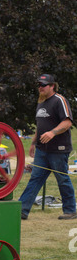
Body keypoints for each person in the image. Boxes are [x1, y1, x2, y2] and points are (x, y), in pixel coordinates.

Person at [19, 74, 76, 220]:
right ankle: (22, 211)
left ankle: (70, 210)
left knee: (62, 179)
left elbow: (67, 122)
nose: (40, 87)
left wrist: (52, 133)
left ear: (52, 86)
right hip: (42, 150)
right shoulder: (41, 102)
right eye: (39, 84)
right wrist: (33, 143)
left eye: (43, 85)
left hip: (58, 149)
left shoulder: (59, 100)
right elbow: (40, 126)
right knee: (35, 179)